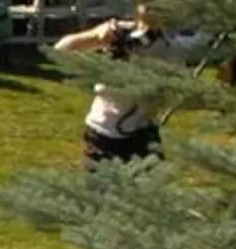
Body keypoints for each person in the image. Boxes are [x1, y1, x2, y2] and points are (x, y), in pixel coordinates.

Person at [57, 16, 164, 160]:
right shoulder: (119, 32)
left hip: (143, 132)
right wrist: (95, 36)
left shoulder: (169, 43)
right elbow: (60, 50)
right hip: (103, 133)